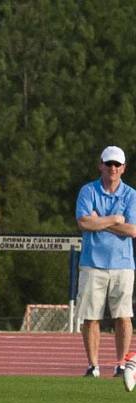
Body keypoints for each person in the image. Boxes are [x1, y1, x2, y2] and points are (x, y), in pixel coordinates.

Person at [74, 145, 136, 381]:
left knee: (123, 316)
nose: (112, 168)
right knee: (91, 317)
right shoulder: (88, 191)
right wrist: (113, 219)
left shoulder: (131, 195)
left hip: (123, 264)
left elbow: (132, 230)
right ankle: (93, 365)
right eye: (108, 163)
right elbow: (84, 223)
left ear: (123, 168)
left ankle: (120, 364)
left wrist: (99, 220)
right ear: (100, 165)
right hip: (92, 263)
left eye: (116, 164)